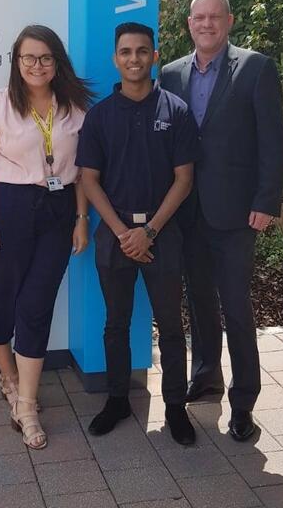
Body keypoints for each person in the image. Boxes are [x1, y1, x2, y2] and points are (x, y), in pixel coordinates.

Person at [159, 0, 283, 441]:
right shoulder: (171, 74)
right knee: (199, 302)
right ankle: (207, 376)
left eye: (215, 17)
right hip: (187, 213)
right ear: (189, 24)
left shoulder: (255, 68)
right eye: (199, 17)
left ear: (228, 22)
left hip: (236, 214)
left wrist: (266, 201)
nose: (207, 24)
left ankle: (243, 402)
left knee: (236, 307)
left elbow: (272, 141)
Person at [76, 22, 200, 445]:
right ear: (116, 58)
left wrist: (148, 231)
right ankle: (116, 400)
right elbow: (89, 180)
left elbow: (184, 179)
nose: (134, 59)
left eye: (142, 51)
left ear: (154, 55)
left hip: (162, 233)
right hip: (115, 234)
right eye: (126, 52)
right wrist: (124, 232)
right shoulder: (100, 116)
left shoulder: (176, 111)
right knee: (116, 324)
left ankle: (176, 409)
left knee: (169, 326)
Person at [0, 24, 92, 450]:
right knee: (1, 301)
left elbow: (82, 172)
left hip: (58, 213)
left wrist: (81, 218)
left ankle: (26, 405)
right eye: (29, 58)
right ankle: (9, 375)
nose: (37, 65)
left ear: (56, 62)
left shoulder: (75, 108)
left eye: (45, 57)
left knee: (37, 305)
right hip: (7, 210)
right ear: (16, 62)